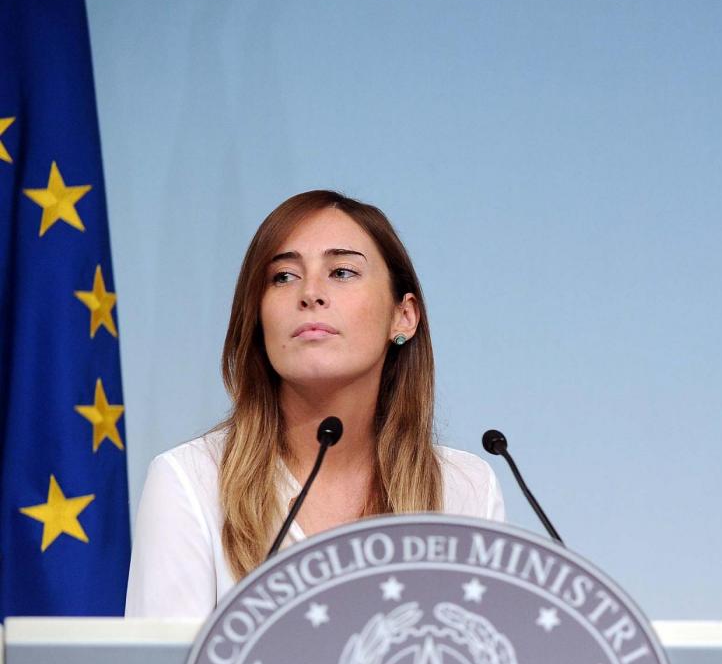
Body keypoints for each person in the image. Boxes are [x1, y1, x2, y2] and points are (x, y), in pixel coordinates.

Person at [126, 190, 505, 617]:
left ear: (403, 316)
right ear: (258, 317)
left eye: (341, 272)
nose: (310, 294)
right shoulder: (191, 482)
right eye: (283, 277)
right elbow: (164, 663)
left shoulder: (465, 489)